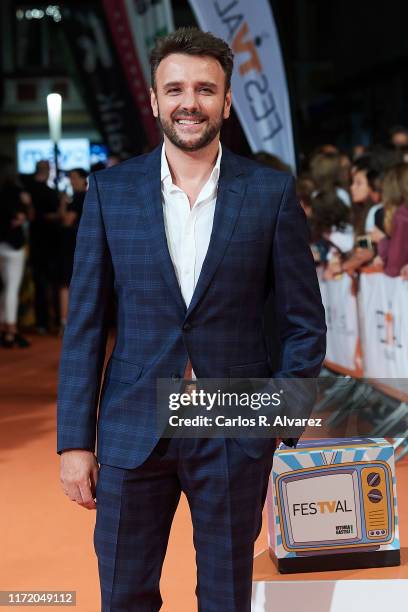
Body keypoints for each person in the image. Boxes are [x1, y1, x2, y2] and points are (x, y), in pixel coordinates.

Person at [57, 28, 326, 611]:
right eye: (174, 88)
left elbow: (304, 321)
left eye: (205, 89)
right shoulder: (111, 192)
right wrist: (75, 442)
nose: (190, 102)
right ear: (154, 100)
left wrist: (279, 420)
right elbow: (83, 326)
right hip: (133, 428)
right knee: (124, 595)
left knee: (226, 598)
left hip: (233, 425)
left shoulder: (270, 193)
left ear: (226, 102)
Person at [0, 157, 32, 348]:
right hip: (14, 247)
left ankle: (5, 328)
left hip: (1, 245)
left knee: (3, 289)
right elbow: (25, 217)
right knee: (11, 288)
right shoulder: (18, 195)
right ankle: (11, 330)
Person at [27, 160, 60, 333]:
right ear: (47, 171)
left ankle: (42, 322)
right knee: (53, 284)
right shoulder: (48, 192)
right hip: (50, 243)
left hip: (37, 242)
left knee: (41, 284)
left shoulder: (28, 190)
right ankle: (52, 321)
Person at [58, 168, 88, 333]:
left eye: (75, 177)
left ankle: (67, 323)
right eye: (70, 178)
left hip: (73, 245)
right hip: (76, 245)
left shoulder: (80, 197)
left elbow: (67, 221)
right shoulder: (86, 197)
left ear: (84, 179)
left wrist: (63, 204)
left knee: (67, 283)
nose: (72, 181)